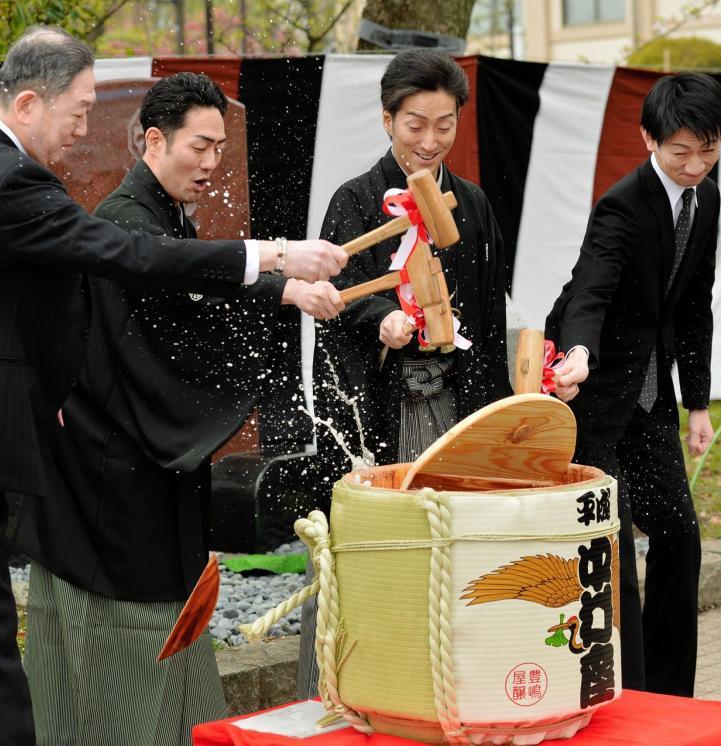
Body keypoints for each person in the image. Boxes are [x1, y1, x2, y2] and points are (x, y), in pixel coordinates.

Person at [0, 27, 346, 746]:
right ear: (28, 103)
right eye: (79, 110)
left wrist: (279, 291)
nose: (86, 128)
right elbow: (121, 253)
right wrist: (271, 257)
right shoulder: (10, 181)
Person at [13, 72, 344, 746]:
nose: (211, 163)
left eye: (220, 148)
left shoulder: (160, 215)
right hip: (110, 481)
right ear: (155, 141)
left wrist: (285, 292)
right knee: (123, 637)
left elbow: (191, 282)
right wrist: (279, 281)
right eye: (200, 145)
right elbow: (174, 288)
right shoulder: (125, 220)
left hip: (144, 468)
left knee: (171, 624)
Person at [299, 48, 512, 697]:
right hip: (384, 402)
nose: (429, 140)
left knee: (455, 552)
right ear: (388, 119)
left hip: (457, 401)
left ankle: (445, 690)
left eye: (444, 125)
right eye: (415, 124)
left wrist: (496, 419)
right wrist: (381, 321)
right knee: (367, 551)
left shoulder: (470, 204)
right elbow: (334, 305)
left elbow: (490, 316)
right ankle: (342, 691)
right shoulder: (357, 200)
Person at [546, 72, 721, 697]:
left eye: (708, 150)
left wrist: (699, 403)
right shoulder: (623, 204)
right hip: (591, 394)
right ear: (650, 138)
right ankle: (618, 693)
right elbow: (589, 289)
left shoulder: (706, 197)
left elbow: (695, 305)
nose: (695, 164)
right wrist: (576, 353)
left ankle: (671, 695)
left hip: (652, 397)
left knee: (679, 536)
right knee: (613, 549)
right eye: (681, 150)